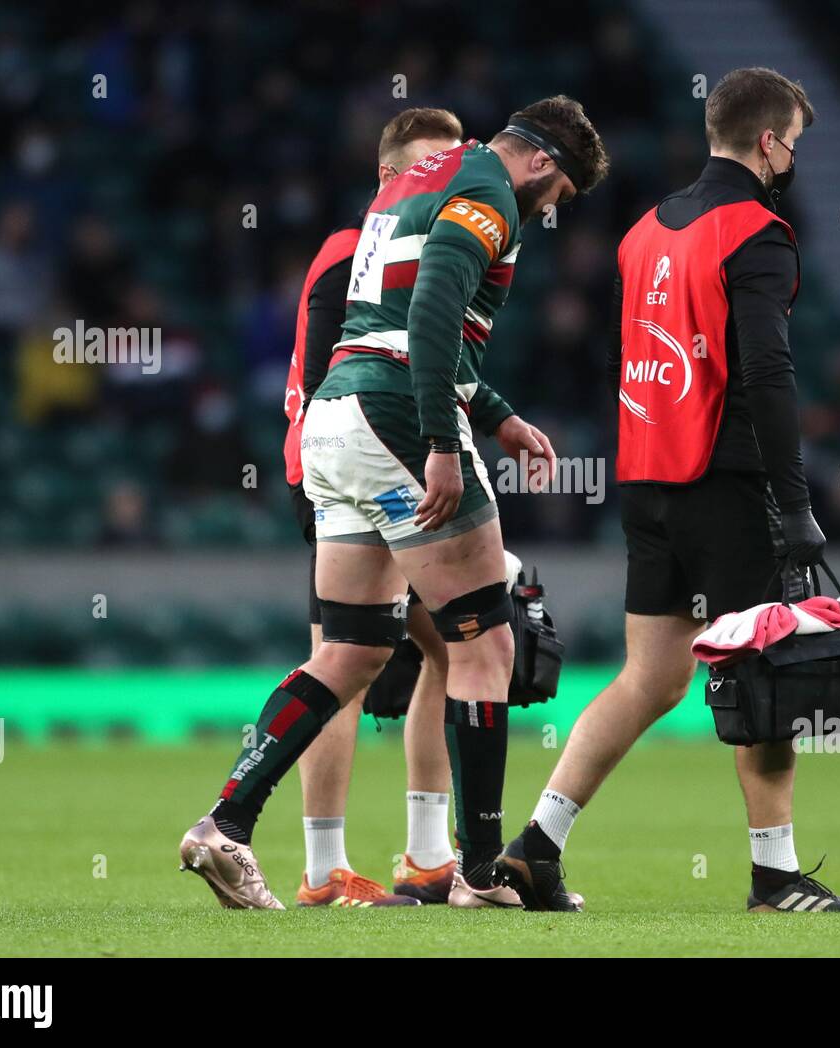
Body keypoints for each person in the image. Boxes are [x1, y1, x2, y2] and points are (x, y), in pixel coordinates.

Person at [179, 95, 609, 910]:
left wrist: (499, 415)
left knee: (350, 652)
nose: (550, 211)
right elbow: (434, 311)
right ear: (546, 163)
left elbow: (381, 318)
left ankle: (224, 825)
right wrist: (447, 441)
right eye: (559, 197)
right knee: (486, 644)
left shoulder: (415, 182)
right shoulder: (488, 193)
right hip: (400, 419)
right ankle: (481, 873)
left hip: (335, 419)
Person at [497, 68, 840, 915]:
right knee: (764, 669)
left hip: (648, 477)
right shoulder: (759, 232)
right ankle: (775, 877)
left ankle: (536, 846)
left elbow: (631, 358)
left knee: (651, 678)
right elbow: (769, 375)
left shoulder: (643, 232)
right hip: (727, 479)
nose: (793, 162)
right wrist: (797, 502)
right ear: (770, 142)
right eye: (794, 145)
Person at [280, 108, 466, 908]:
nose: (445, 185)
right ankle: (341, 867)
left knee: (445, 649)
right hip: (354, 467)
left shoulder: (411, 252)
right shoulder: (353, 256)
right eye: (428, 168)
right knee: (354, 664)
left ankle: (420, 857)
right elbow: (341, 381)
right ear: (389, 177)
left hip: (366, 462)